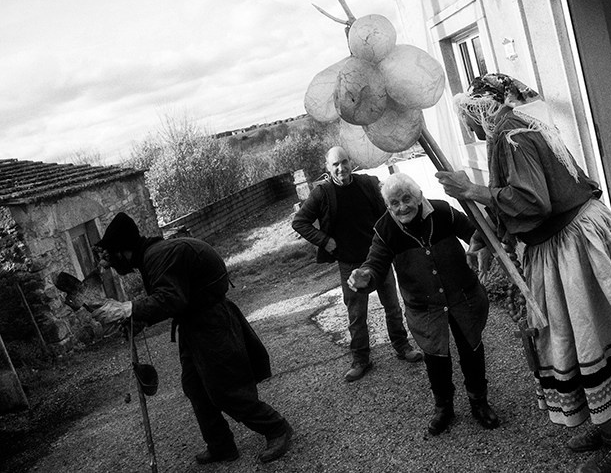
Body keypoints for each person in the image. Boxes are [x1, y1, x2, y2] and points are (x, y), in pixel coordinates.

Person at [435, 73, 611, 473]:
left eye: (467, 115)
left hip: (570, 247)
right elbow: (530, 195)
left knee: (578, 344)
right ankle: (607, 423)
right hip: (578, 238)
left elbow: (532, 203)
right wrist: (484, 240)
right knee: (589, 340)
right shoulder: (527, 125)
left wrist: (472, 191)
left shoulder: (509, 134)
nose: (467, 126)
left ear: (482, 107)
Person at [90, 212, 293, 465]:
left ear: (122, 251)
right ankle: (221, 445)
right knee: (195, 387)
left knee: (225, 389)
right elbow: (172, 298)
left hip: (210, 322)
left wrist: (128, 309)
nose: (115, 266)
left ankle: (277, 428)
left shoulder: (158, 255)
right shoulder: (151, 256)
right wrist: (140, 320)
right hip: (193, 323)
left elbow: (172, 298)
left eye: (113, 256)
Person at [347, 172, 499, 436]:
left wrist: (479, 247)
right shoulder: (385, 229)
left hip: (462, 295)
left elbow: (474, 231)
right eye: (394, 203)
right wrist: (365, 275)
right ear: (388, 206)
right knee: (435, 356)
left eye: (407, 199)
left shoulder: (441, 211)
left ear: (418, 197)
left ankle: (479, 402)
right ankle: (444, 408)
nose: (402, 207)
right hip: (424, 306)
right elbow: (376, 263)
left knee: (471, 347)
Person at [292, 146, 423, 382]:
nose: (341, 168)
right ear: (328, 168)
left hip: (379, 258)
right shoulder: (322, 193)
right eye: (335, 164)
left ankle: (402, 346)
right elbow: (299, 222)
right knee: (356, 314)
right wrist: (325, 240)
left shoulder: (369, 184)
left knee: (392, 306)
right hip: (350, 263)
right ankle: (361, 359)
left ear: (351, 162)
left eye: (344, 162)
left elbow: (389, 208)